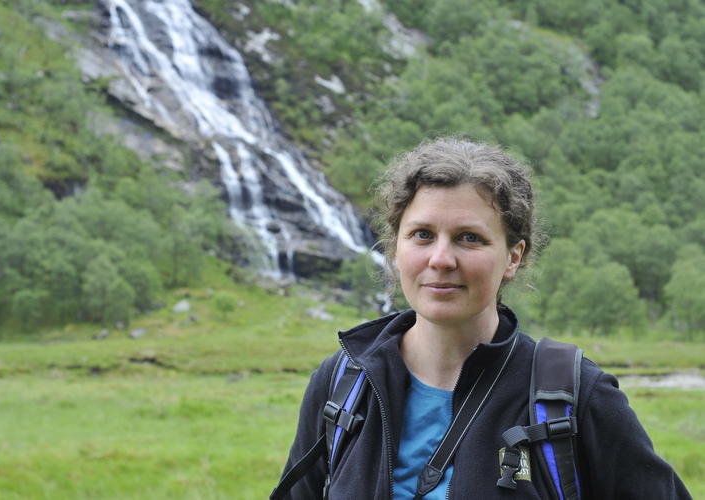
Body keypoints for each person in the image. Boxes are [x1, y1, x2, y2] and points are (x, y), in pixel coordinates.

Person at [274, 137, 693, 499]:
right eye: (422, 234)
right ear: (394, 248)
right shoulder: (341, 385)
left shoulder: (574, 397)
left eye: (468, 238)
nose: (440, 259)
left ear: (514, 257)